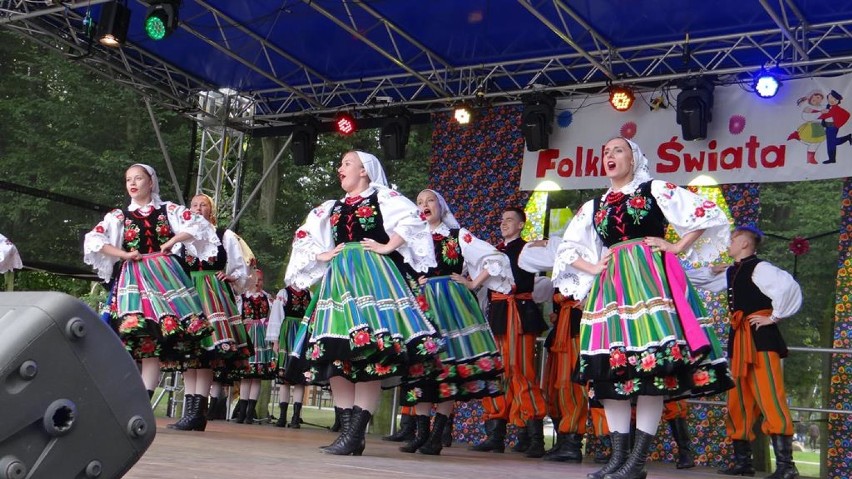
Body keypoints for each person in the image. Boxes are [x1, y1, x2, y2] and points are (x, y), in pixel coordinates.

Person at [550, 137, 733, 479]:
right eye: (605, 151)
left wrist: (675, 246)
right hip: (611, 289)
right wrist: (593, 268)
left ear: (633, 159)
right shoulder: (594, 205)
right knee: (610, 373)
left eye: (617, 150)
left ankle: (636, 462)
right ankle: (619, 459)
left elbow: (705, 213)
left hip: (649, 281)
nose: (609, 155)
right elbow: (567, 249)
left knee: (651, 372)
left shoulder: (654, 189)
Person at [284, 150, 440, 456]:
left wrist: (388, 245)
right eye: (341, 164)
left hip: (373, 278)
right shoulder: (331, 207)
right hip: (338, 281)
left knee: (372, 355)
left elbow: (414, 219)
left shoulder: (383, 197)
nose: (340, 169)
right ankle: (347, 433)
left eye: (346, 164)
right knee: (336, 354)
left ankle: (355, 433)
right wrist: (321, 254)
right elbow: (303, 236)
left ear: (364, 171)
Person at [83, 163, 219, 396]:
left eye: (138, 178)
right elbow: (94, 239)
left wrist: (172, 241)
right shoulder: (119, 216)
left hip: (164, 277)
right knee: (141, 338)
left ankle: (144, 400)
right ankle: (129, 397)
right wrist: (124, 254)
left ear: (151, 182)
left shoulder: (169, 209)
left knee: (155, 339)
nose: (133, 184)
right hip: (133, 278)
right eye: (128, 180)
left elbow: (198, 224)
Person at [397, 189, 509, 455]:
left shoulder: (457, 235)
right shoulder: (410, 239)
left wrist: (472, 282)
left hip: (451, 303)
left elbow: (495, 257)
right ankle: (421, 433)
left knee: (449, 367)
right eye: (420, 202)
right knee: (421, 368)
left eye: (430, 201)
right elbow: (399, 269)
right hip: (421, 304)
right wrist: (413, 282)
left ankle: (437, 435)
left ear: (441, 206)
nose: (425, 205)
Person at [689, 225, 802, 479]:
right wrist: (671, 267)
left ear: (744, 243)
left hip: (761, 339)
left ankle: (786, 466)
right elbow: (700, 279)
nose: (729, 243)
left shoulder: (761, 268)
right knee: (738, 396)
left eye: (733, 239)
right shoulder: (733, 271)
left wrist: (774, 317)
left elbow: (789, 287)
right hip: (739, 338)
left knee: (770, 394)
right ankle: (743, 462)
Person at [165, 193, 253, 431]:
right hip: (189, 292)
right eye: (193, 205)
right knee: (191, 353)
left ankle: (197, 412)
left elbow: (242, 267)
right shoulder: (182, 240)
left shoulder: (224, 235)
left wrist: (233, 277)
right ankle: (191, 412)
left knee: (205, 351)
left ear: (211, 211)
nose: (197, 208)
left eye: (203, 205)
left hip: (212, 293)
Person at [471, 207, 549, 458]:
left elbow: (557, 254)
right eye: (502, 219)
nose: (504, 223)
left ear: (522, 225)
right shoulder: (493, 252)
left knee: (521, 371)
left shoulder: (528, 248)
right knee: (496, 371)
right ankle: (496, 434)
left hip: (519, 311)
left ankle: (534, 434)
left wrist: (545, 244)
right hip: (498, 314)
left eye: (510, 220)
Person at [232, 269, 276, 424]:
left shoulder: (268, 298)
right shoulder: (242, 299)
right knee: (246, 375)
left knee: (257, 376)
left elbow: (273, 317)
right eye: (255, 280)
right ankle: (242, 412)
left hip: (262, 339)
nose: (258, 283)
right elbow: (237, 318)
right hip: (248, 336)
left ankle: (250, 412)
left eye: (260, 280)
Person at [268, 284, 311, 428]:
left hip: (303, 334)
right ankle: (282, 416)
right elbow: (276, 316)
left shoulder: (309, 294)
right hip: (287, 335)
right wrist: (275, 340)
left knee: (300, 378)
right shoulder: (284, 293)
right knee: (284, 377)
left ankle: (296, 417)